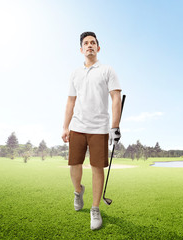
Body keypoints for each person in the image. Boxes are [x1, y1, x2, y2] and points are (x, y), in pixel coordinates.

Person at [61, 31, 122, 230]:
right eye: (86, 43)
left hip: (99, 128)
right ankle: (78, 191)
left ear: (98, 48)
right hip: (77, 127)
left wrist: (115, 127)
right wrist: (65, 126)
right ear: (81, 49)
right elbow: (70, 101)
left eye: (93, 43)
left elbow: (115, 98)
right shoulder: (75, 73)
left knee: (97, 168)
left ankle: (95, 209)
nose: (89, 45)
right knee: (74, 165)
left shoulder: (107, 70)